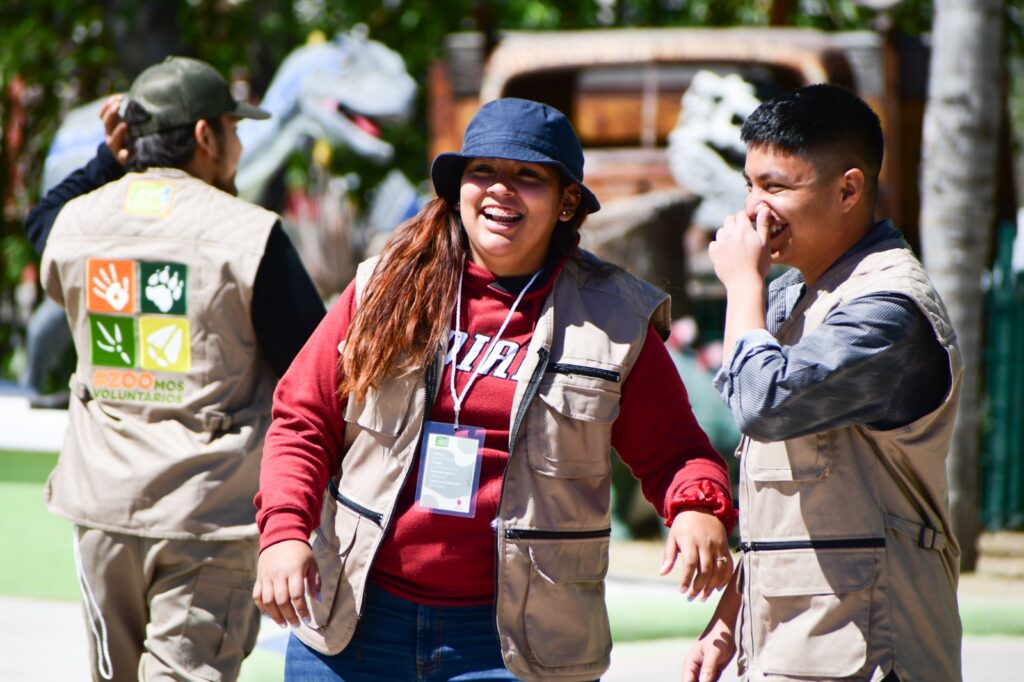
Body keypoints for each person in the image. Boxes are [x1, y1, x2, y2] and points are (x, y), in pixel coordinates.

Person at [252, 97, 736, 681]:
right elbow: (303, 420)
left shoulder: (615, 320)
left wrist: (696, 508)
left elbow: (677, 452)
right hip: (353, 624)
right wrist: (283, 533)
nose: (501, 190)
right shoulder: (382, 289)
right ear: (459, 190)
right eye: (483, 172)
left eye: (528, 176)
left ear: (567, 203)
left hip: (514, 647)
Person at [26, 56, 326, 681]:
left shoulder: (77, 222)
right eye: (235, 129)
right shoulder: (251, 235)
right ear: (204, 136)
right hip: (206, 517)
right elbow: (314, 363)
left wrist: (107, 162)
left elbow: (40, 223)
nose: (241, 146)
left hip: (101, 509)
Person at [685, 83, 963, 682]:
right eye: (750, 185)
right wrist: (730, 619)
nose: (754, 211)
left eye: (777, 187)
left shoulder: (889, 309)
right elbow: (788, 505)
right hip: (791, 651)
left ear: (848, 189)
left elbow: (765, 405)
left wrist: (740, 287)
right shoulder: (790, 295)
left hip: (876, 654)